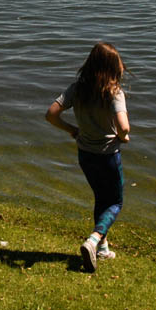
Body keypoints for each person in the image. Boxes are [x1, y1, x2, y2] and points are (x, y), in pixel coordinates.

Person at [45, 41, 131, 272]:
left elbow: (51, 114)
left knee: (101, 198)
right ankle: (93, 240)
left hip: (85, 154)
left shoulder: (78, 89)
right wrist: (123, 137)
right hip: (108, 155)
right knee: (115, 202)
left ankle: (101, 248)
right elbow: (124, 127)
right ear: (113, 67)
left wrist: (72, 130)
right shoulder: (114, 92)